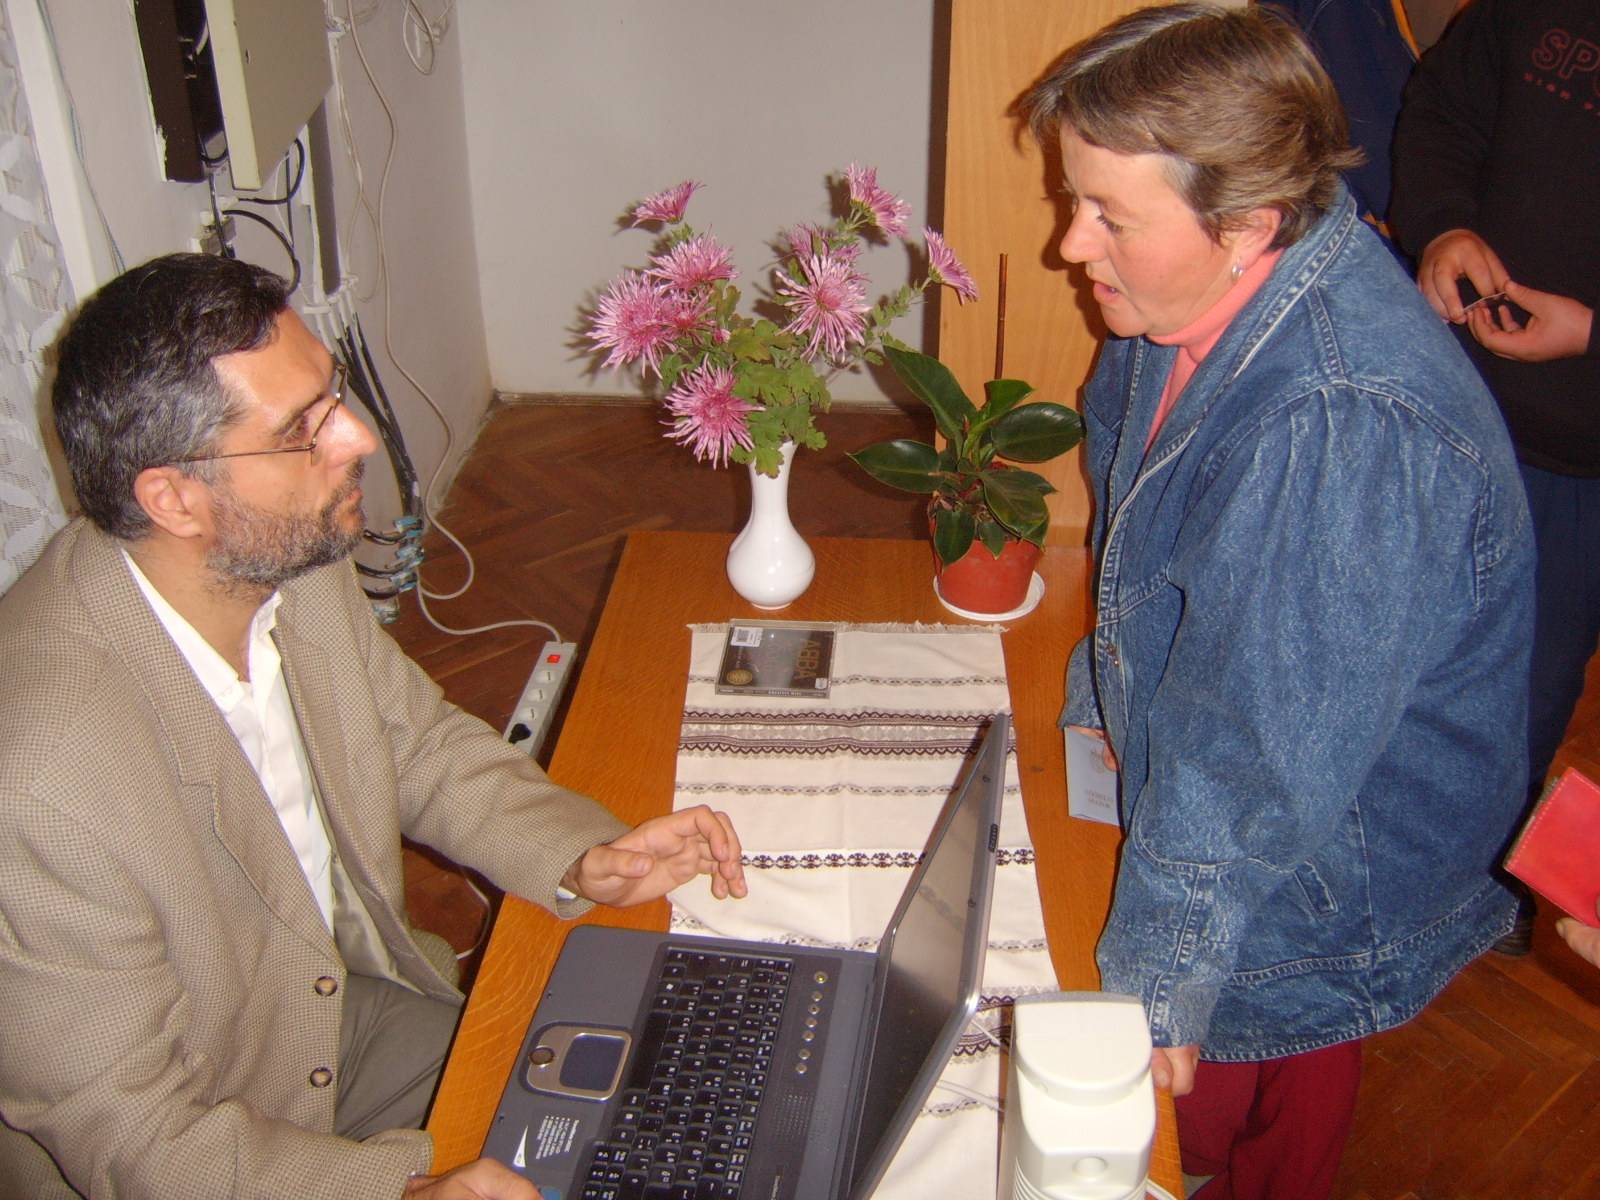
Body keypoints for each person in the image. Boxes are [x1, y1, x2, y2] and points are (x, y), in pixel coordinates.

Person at [0, 253, 747, 1200]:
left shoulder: (281, 557)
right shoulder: (39, 784)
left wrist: (582, 856)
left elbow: (412, 742)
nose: (354, 436)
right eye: (300, 431)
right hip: (195, 1137)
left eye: (334, 396)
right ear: (174, 500)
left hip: (334, 1018)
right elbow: (135, 1135)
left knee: (670, 1093)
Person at [1022, 6, 1533, 1197]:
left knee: (1233, 1131)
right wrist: (1102, 695)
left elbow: (1256, 748)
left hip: (1322, 863)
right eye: (1071, 199)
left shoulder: (1340, 427)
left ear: (1247, 222)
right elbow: (1147, 543)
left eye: (1107, 215)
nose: (1069, 245)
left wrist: (1156, 985)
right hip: (1250, 793)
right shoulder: (1175, 302)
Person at [1389, 0, 1600, 957]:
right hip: (1454, 405)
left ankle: (1463, 904)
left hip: (1584, 462)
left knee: (1526, 694)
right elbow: (1442, 113)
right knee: (1396, 647)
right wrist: (1444, 227)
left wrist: (1594, 333)